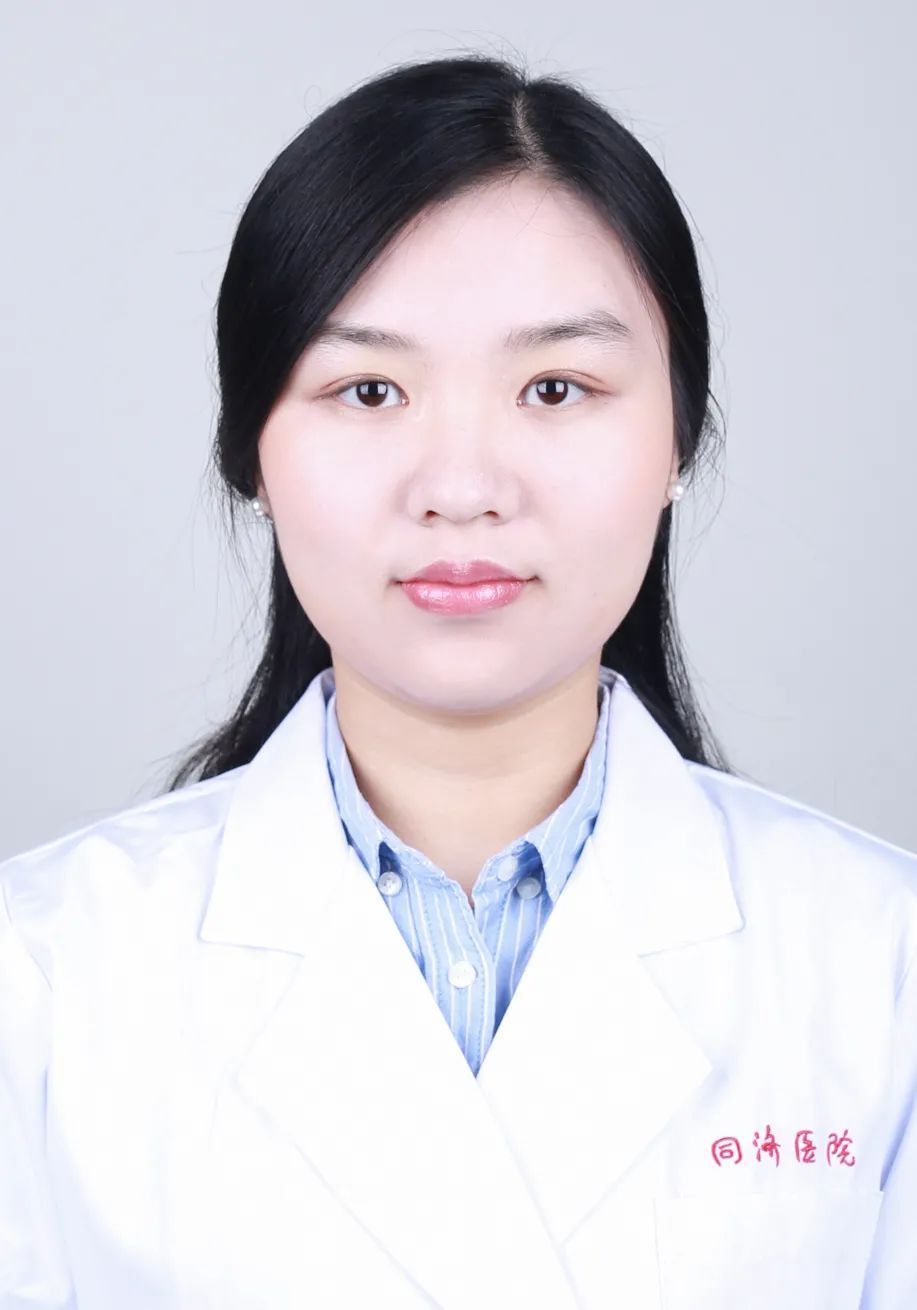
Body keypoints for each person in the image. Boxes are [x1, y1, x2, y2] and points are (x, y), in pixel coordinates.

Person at [1, 51, 914, 1310]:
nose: (463, 484)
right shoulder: (42, 973)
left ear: (677, 440)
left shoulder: (880, 963)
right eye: (369, 389)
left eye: (555, 387)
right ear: (251, 454)